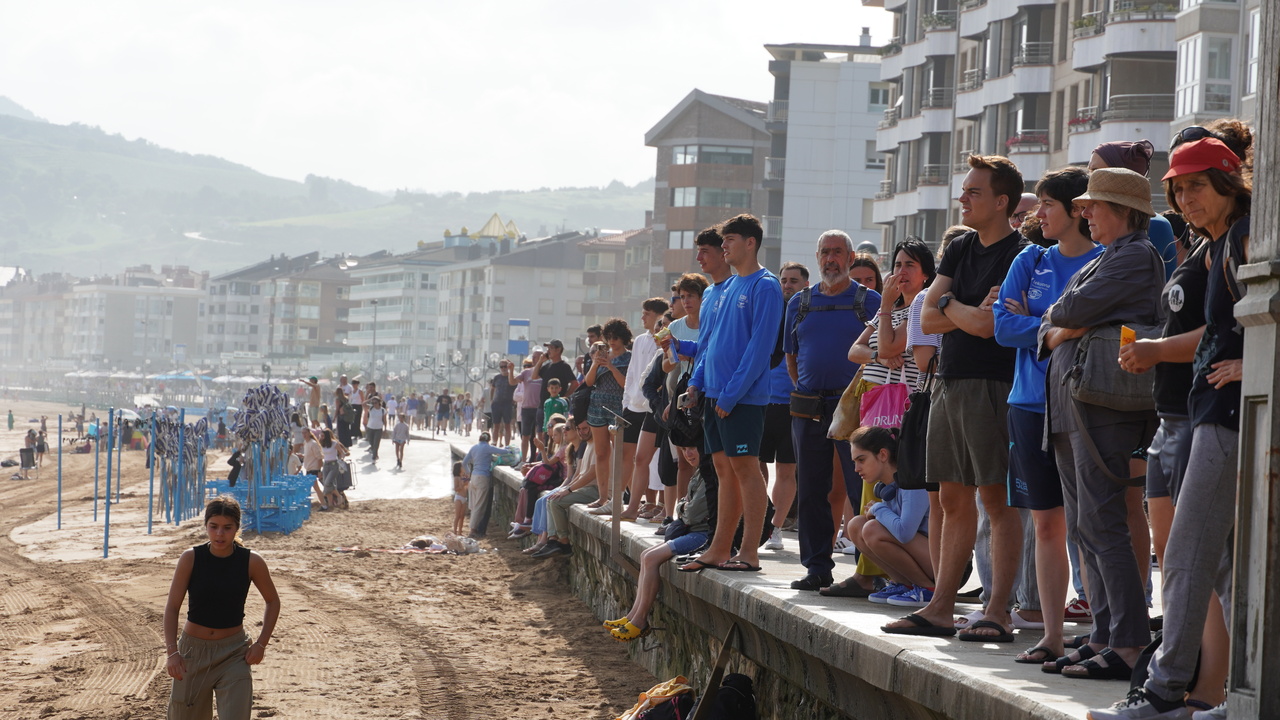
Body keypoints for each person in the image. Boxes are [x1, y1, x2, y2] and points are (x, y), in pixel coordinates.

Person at [1091, 129, 1251, 719]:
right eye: (1179, 190)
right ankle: (1247, 694)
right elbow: (1220, 330)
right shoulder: (1217, 242)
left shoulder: (1246, 235)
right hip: (1210, 411)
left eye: (1197, 186)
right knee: (1227, 567)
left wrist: (1258, 361)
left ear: (1229, 184)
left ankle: (1163, 693)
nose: (1186, 199)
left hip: (1228, 415)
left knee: (1183, 555)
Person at [883, 154, 1027, 641]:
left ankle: (998, 611)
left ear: (1001, 201)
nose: (962, 198)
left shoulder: (1020, 254)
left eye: (973, 192)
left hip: (994, 384)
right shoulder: (961, 246)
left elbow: (990, 326)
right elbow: (927, 319)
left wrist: (948, 304)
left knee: (996, 499)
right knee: (950, 496)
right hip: (948, 381)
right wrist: (957, 308)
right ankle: (941, 607)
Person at [1036, 167, 1164, 680]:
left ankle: (1128, 642)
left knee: (1102, 523)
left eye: (1094, 205)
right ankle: (1106, 635)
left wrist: (1064, 323)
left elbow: (1066, 309)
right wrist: (1061, 324)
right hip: (1077, 404)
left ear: (1124, 210)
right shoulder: (1108, 257)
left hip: (1101, 408)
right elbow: (1049, 323)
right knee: (1086, 527)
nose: (1084, 212)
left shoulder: (1135, 255)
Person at [992, 165, 1102, 664]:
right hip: (1027, 405)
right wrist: (1059, 325)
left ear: (1078, 210)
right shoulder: (1030, 259)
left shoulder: (1105, 261)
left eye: (1048, 205)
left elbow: (1101, 328)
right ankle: (1052, 637)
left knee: (1092, 525)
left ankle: (1102, 636)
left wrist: (1035, 322)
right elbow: (1002, 328)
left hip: (1082, 403)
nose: (1038, 214)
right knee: (1047, 526)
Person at [680, 214, 783, 574]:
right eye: (722, 240)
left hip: (742, 399)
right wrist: (698, 383)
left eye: (730, 240)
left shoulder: (765, 286)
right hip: (714, 395)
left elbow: (760, 348)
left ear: (750, 243)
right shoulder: (726, 288)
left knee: (746, 470)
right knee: (724, 470)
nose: (723, 246)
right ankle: (720, 547)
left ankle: (749, 552)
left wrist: (731, 394)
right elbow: (709, 344)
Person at [836, 238, 935, 598]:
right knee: (870, 498)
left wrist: (887, 313)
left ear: (926, 274)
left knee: (895, 504)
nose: (901, 272)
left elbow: (893, 346)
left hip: (906, 418)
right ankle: (891, 579)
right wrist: (879, 354)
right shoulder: (888, 313)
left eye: (910, 265)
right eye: (897, 264)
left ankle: (914, 581)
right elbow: (855, 350)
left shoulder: (920, 307)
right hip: (878, 415)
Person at [783, 230, 881, 592]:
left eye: (837, 252)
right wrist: (810, 388)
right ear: (817, 257)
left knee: (863, 489)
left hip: (855, 407)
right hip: (809, 406)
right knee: (811, 489)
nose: (830, 259)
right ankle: (817, 568)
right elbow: (791, 357)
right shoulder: (799, 303)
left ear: (851, 257)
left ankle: (869, 571)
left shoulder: (870, 301)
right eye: (825, 252)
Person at [163, 496, 280, 720]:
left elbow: (273, 601)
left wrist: (261, 644)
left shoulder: (251, 561)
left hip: (234, 653)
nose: (219, 534)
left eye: (227, 528)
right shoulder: (191, 558)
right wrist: (172, 653)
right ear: (206, 525)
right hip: (192, 653)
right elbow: (172, 607)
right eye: (213, 526)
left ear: (237, 528)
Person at [605, 445, 713, 641]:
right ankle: (632, 616)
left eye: (692, 449)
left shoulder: (709, 475)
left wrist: (684, 507)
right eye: (684, 449)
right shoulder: (700, 472)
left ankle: (640, 621)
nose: (688, 454)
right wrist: (684, 507)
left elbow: (690, 514)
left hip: (703, 536)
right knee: (646, 555)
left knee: (651, 558)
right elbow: (684, 506)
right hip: (694, 530)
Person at [844, 426, 932, 606]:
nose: (856, 468)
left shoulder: (912, 483)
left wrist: (879, 509)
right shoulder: (888, 485)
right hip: (924, 556)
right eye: (854, 462)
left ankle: (928, 589)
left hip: (944, 565)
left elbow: (904, 533)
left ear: (883, 455)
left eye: (861, 460)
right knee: (856, 525)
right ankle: (904, 584)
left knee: (872, 529)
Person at [761, 261, 808, 551]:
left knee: (787, 470)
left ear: (805, 284)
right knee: (755, 465)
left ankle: (775, 528)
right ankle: (762, 519)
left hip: (793, 404)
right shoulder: (769, 312)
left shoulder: (808, 314)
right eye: (784, 280)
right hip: (762, 401)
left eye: (793, 280)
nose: (787, 285)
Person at [616, 297, 670, 521]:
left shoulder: (669, 344)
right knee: (639, 458)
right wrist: (626, 402)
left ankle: (664, 507)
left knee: (664, 460)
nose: (643, 317)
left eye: (647, 313)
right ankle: (633, 505)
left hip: (662, 408)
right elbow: (635, 375)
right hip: (641, 406)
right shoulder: (640, 341)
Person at [461, 432, 504, 538]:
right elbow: (503, 452)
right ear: (488, 440)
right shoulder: (488, 448)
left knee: (474, 505)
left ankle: (473, 528)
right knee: (479, 505)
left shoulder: (474, 448)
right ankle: (473, 530)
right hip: (483, 478)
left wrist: (468, 472)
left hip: (474, 477)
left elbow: (464, 463)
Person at [318, 429, 350, 511]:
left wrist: (340, 459)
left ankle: (339, 497)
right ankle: (330, 504)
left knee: (327, 483)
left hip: (333, 464)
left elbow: (342, 452)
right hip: (326, 464)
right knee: (327, 484)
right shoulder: (322, 443)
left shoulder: (334, 443)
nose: (321, 437)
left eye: (322, 436)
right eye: (321, 435)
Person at [489, 362, 517, 446]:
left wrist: (514, 400)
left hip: (507, 404)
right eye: (501, 367)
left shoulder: (512, 377)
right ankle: (494, 443)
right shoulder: (497, 377)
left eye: (505, 366)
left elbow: (517, 389)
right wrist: (491, 399)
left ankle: (507, 445)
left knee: (507, 425)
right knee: (496, 425)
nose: (503, 368)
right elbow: (492, 388)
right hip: (497, 403)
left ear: (508, 367)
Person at [302, 429, 327, 510]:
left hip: (314, 468)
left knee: (315, 488)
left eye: (305, 433)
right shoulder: (306, 443)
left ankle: (323, 505)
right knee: (312, 488)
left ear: (309, 433)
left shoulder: (313, 443)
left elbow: (319, 458)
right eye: (302, 433)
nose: (304, 435)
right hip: (309, 468)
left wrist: (319, 470)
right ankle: (322, 504)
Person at [363, 396, 387, 462]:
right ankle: (375, 453)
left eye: (375, 402)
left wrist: (385, 429)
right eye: (373, 403)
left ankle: (374, 457)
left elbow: (385, 420)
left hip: (378, 428)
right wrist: (370, 399)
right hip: (370, 428)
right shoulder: (371, 408)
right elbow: (363, 404)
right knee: (371, 442)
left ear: (379, 402)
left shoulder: (383, 410)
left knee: (376, 443)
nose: (374, 404)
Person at [452, 461, 468, 535]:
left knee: (462, 516)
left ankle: (460, 531)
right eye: (462, 466)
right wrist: (461, 486)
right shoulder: (457, 478)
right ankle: (455, 531)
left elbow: (467, 484)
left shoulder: (464, 477)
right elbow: (455, 489)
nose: (464, 468)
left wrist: (466, 481)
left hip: (464, 498)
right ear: (459, 468)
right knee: (457, 516)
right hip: (459, 497)